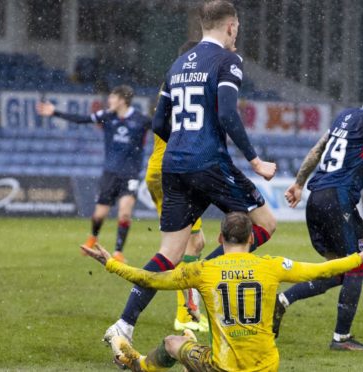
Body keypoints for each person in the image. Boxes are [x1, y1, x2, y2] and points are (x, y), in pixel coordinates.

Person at [103, 0, 277, 348]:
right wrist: (256, 161)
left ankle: (124, 324)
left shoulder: (179, 63)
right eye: (237, 29)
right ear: (230, 26)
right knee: (265, 225)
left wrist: (182, 144)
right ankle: (207, 274)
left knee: (169, 252)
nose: (236, 35)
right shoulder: (229, 60)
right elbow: (227, 113)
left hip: (175, 165)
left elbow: (157, 123)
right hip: (210, 161)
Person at [82, 212, 363, 371]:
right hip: (266, 367)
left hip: (223, 367)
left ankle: (140, 366)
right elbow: (320, 269)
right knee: (192, 341)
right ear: (250, 239)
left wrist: (111, 263)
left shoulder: (203, 271)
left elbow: (150, 279)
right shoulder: (272, 266)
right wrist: (360, 257)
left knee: (174, 342)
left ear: (220, 237)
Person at [273, 70, 363, 351]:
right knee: (358, 266)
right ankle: (341, 339)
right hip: (338, 200)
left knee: (338, 271)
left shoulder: (344, 117)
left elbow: (317, 149)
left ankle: (281, 302)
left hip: (317, 196)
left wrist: (299, 184)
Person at [36, 85, 151, 263]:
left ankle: (118, 252)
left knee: (125, 213)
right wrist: (55, 113)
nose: (109, 101)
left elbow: (162, 128)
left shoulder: (141, 120)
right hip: (110, 174)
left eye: (112, 98)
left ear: (122, 100)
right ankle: (93, 238)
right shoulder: (107, 116)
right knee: (99, 215)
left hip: (130, 175)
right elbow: (81, 119)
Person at [145, 40, 208, 333]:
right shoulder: (187, 85)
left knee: (192, 243)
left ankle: (186, 307)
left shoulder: (172, 83)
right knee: (187, 245)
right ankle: (186, 312)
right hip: (174, 170)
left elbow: (158, 123)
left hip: (163, 169)